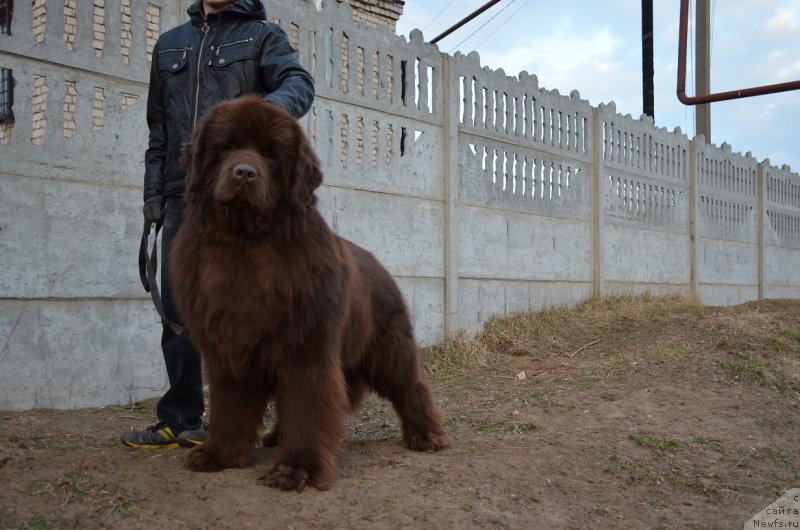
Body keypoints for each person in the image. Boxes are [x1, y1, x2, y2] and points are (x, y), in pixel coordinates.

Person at [121, 0, 315, 449]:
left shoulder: (263, 36)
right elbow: (159, 134)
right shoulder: (169, 45)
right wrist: (153, 196)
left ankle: (254, 419)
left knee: (250, 311)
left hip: (241, 202)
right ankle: (181, 419)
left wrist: (259, 117)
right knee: (178, 309)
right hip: (182, 195)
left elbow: (299, 83)